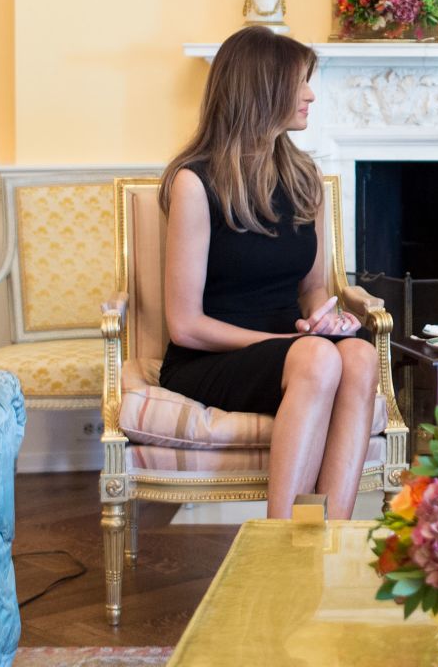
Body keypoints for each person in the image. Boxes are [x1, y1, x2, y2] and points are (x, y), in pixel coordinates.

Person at [158, 26, 378, 520]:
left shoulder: (305, 179)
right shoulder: (195, 183)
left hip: (295, 345)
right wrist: (288, 344)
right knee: (319, 361)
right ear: (262, 89)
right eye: (299, 82)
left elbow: (313, 288)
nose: (310, 94)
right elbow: (185, 326)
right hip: (209, 356)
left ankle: (329, 540)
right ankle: (281, 551)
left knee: (361, 355)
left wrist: (325, 318)